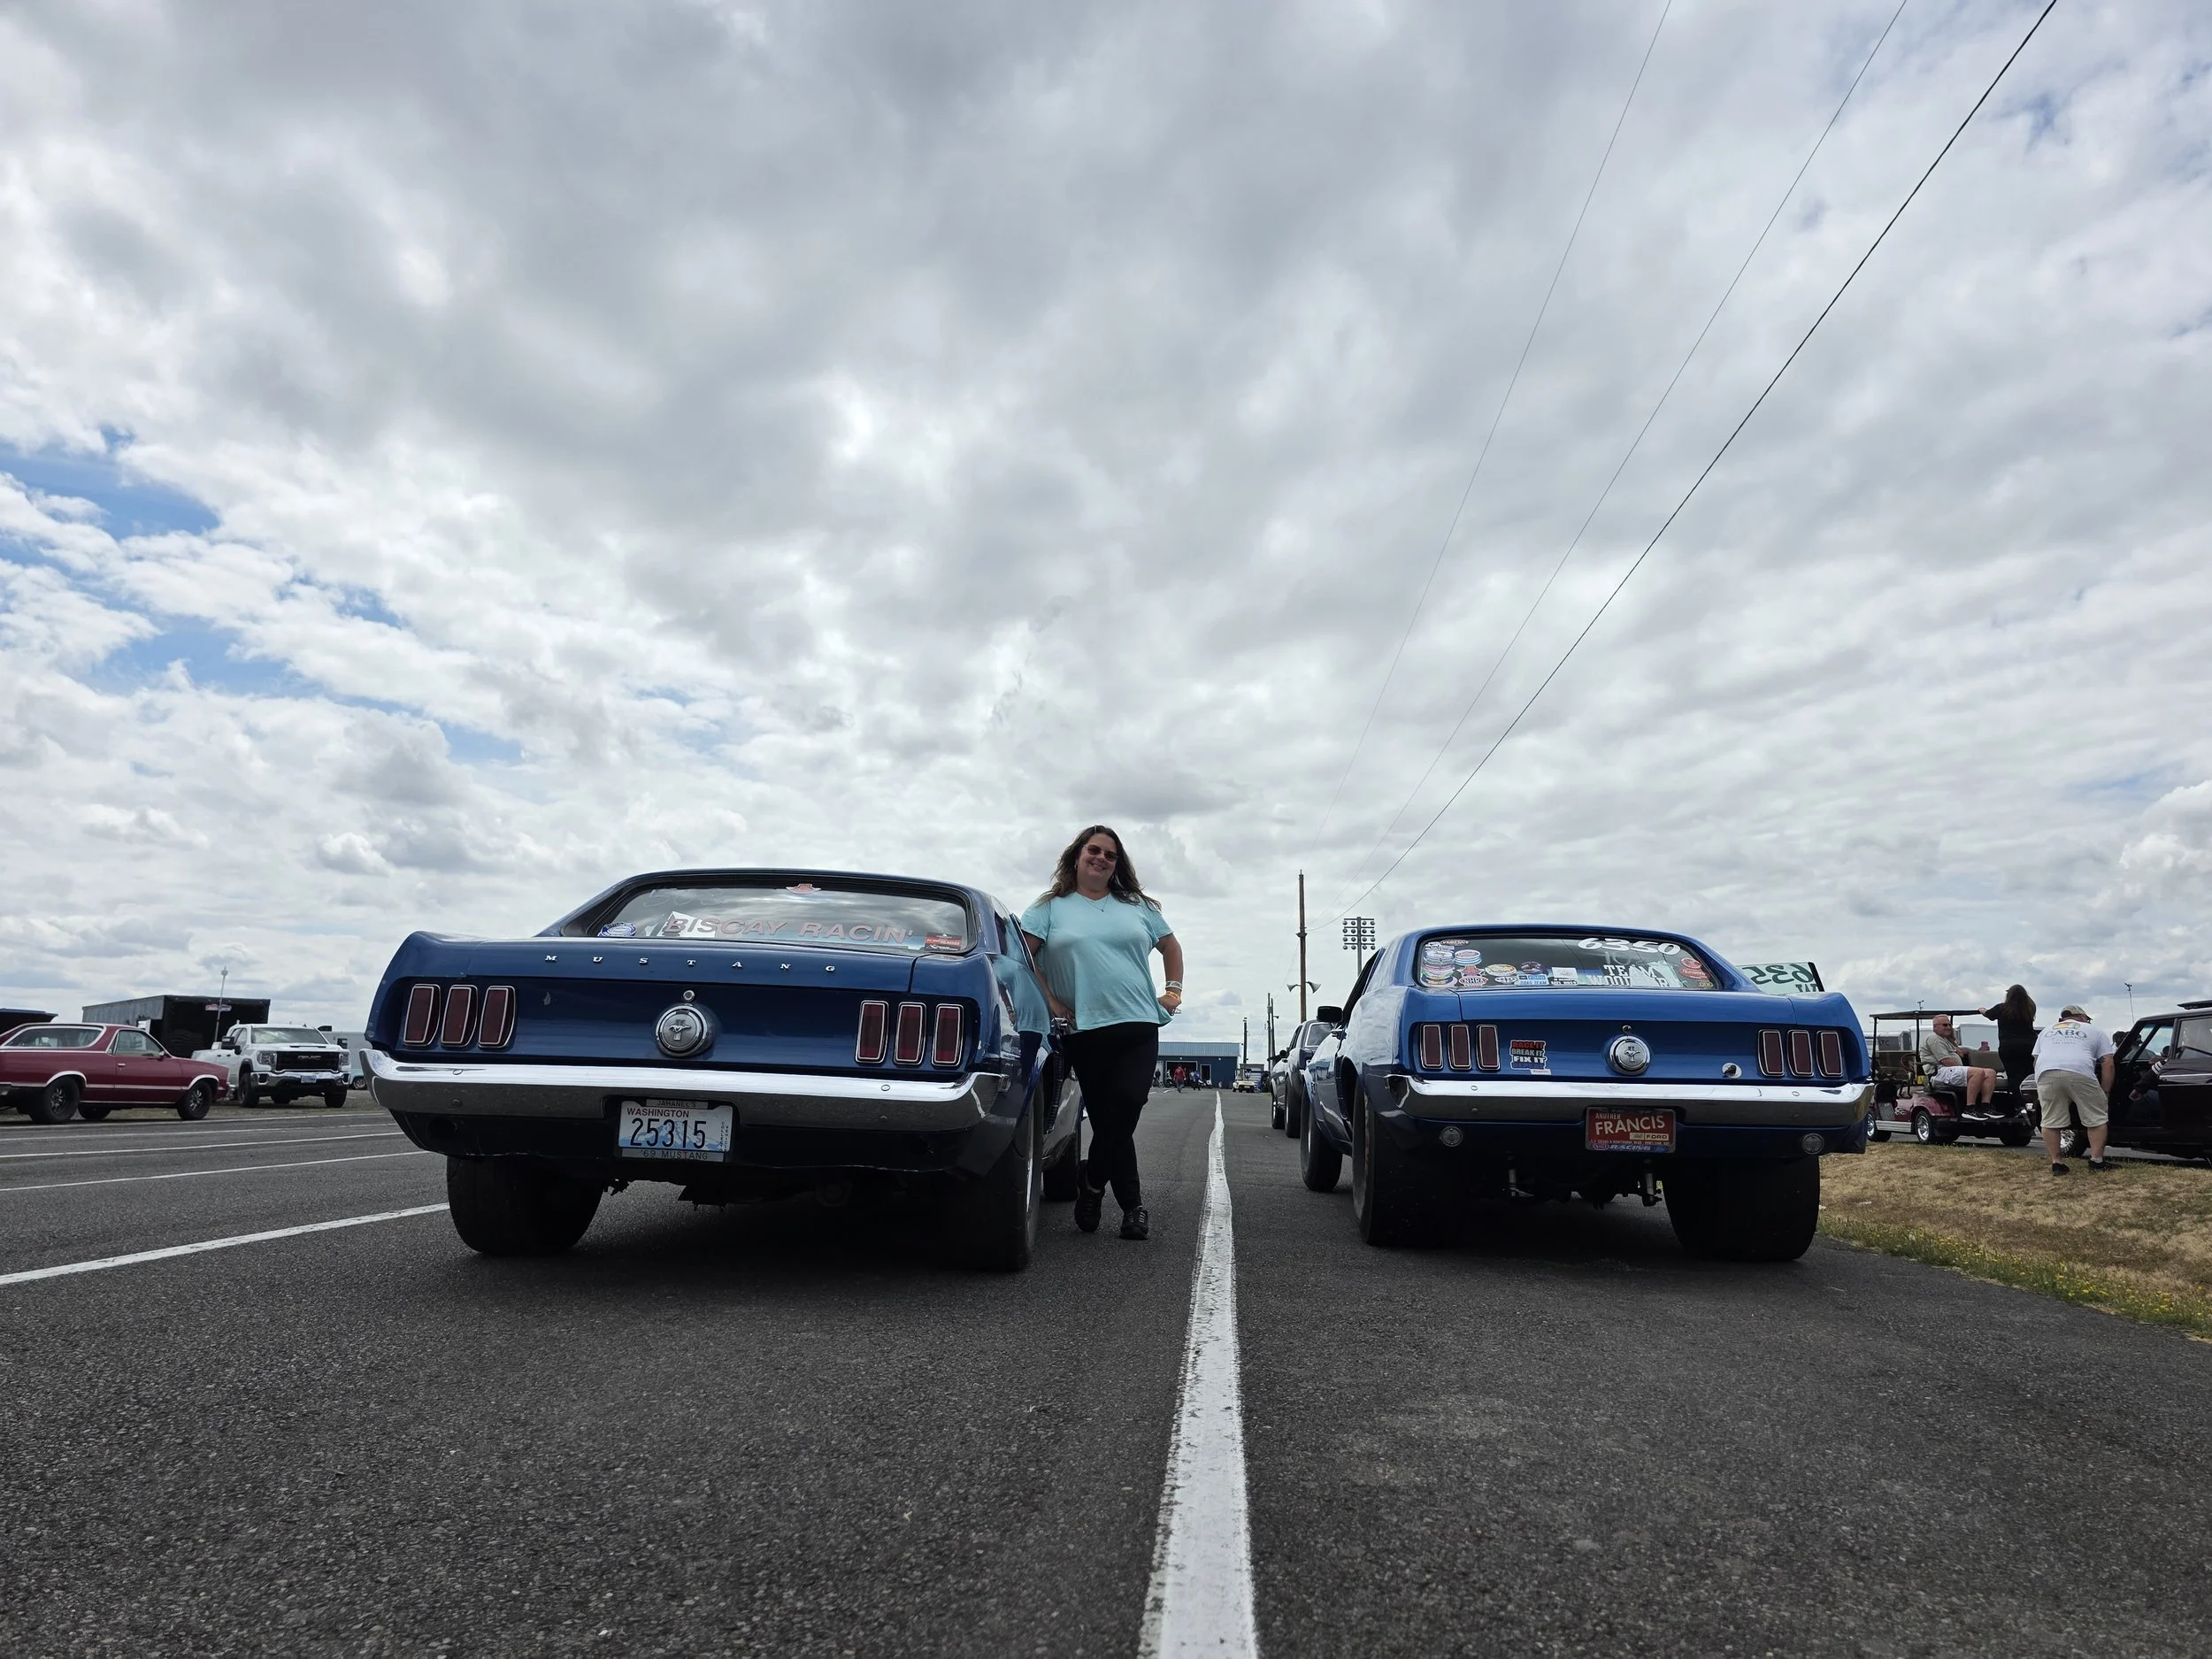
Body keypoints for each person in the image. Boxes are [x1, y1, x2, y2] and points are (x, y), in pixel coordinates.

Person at [1021, 825, 1183, 1241]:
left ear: (1117, 865)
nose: (1101, 859)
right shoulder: (1050, 908)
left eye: (1110, 855)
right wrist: (1053, 1004)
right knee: (1112, 1120)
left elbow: (1170, 946)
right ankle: (1133, 1208)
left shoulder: (1135, 906)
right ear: (1077, 856)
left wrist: (1173, 991)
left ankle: (1092, 1182)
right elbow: (1025, 958)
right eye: (1094, 850)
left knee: (1127, 1105)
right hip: (1085, 1030)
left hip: (1139, 1022)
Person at [2035, 1003, 2116, 1175]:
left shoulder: (2046, 1031)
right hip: (2080, 1071)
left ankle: (2057, 1164)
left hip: (2046, 1072)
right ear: (2082, 1017)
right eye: (2087, 1018)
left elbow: (2036, 1059)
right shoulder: (2094, 1031)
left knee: (2050, 1121)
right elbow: (2108, 1062)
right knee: (2096, 1117)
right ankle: (2096, 1161)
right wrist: (2105, 1091)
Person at [1919, 1013, 1997, 1108]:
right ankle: (1970, 1108)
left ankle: (1985, 1106)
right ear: (1935, 1027)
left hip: (1949, 1071)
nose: (1948, 1027)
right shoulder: (1934, 1039)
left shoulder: (1946, 1039)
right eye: (1945, 1025)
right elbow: (1946, 1061)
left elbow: (1959, 1052)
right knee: (1978, 1072)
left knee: (1991, 1073)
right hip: (1939, 1072)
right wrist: (1966, 1069)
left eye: (1949, 1025)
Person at [1978, 985, 2039, 1094]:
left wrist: (1982, 1010)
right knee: (2030, 1074)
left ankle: (2017, 1103)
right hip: (2029, 1046)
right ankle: (2031, 1101)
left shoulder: (2001, 1008)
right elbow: (2029, 1003)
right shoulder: (2030, 1008)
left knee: (2014, 1075)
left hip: (2009, 1047)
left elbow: (1988, 1015)